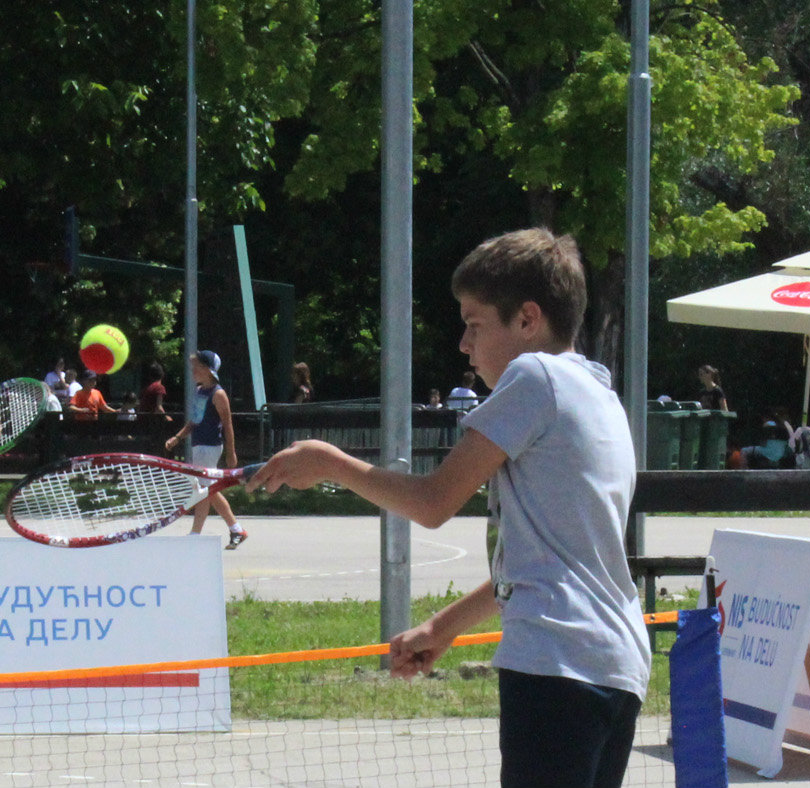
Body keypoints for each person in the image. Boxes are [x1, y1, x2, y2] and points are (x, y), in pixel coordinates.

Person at [247, 228, 649, 788]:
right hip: (615, 666)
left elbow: (434, 503)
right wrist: (443, 626)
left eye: (474, 323)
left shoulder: (535, 378)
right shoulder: (600, 394)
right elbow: (551, 564)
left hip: (556, 666)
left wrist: (332, 464)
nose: (463, 343)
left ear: (528, 320)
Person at [165, 350, 247, 549]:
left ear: (207, 370)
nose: (193, 370)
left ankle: (232, 529)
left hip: (210, 447)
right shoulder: (200, 391)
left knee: (206, 489)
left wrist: (231, 452)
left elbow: (228, 425)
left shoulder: (218, 394)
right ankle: (214, 531)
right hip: (198, 446)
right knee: (204, 490)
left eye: (197, 366)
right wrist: (177, 437)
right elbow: (194, 421)